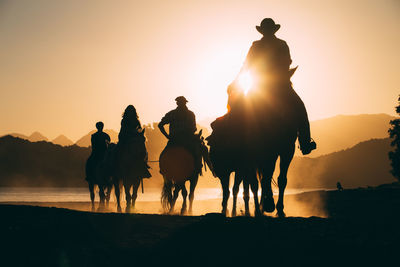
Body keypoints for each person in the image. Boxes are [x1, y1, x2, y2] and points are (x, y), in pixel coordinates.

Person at [231, 18, 316, 155]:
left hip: (259, 86)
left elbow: (246, 65)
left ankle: (237, 144)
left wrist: (235, 82)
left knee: (240, 110)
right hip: (280, 85)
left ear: (264, 31)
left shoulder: (256, 46)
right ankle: (305, 143)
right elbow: (287, 61)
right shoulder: (281, 44)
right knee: (300, 109)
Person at [158, 96, 201, 171]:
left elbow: (160, 125)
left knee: (164, 156)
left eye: (181, 103)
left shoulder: (172, 114)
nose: (181, 104)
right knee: (198, 151)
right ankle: (198, 167)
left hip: (175, 140)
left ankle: (198, 166)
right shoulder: (189, 114)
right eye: (180, 103)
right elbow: (194, 128)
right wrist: (167, 136)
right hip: (184, 140)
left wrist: (167, 136)